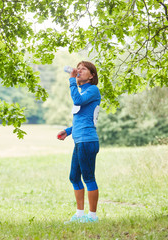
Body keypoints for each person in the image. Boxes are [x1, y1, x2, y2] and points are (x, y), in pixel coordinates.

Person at [57, 61, 101, 223]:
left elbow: (76, 101)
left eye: (83, 69)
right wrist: (67, 131)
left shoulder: (93, 90)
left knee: (88, 177)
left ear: (91, 76)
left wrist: (71, 80)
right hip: (79, 140)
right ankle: (80, 214)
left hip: (88, 140)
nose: (79, 71)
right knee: (74, 177)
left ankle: (92, 216)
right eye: (78, 69)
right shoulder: (83, 92)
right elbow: (82, 119)